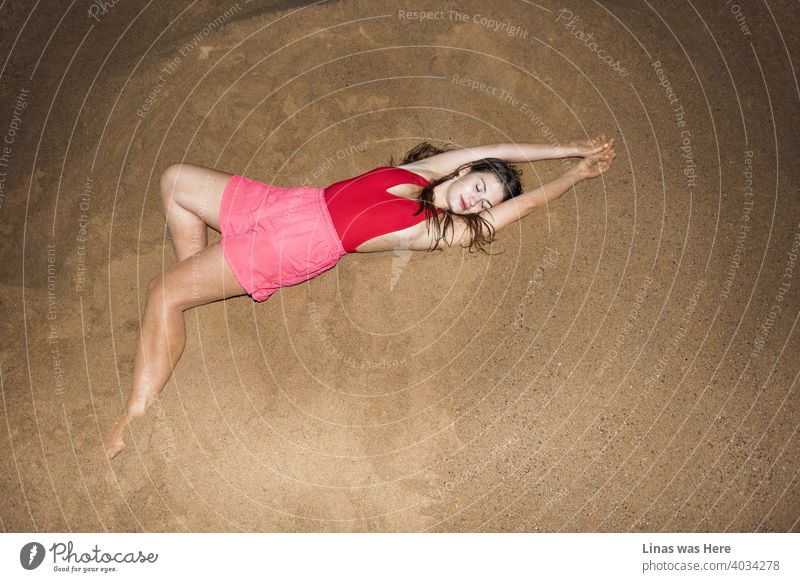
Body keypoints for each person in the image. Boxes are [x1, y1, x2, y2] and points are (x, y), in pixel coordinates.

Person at [105, 136, 617, 459]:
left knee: (162, 297)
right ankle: (193, 276)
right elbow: (501, 150)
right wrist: (570, 148)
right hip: (291, 201)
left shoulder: (436, 229)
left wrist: (574, 176)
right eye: (481, 184)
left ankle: (136, 417)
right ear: (464, 171)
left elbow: (517, 210)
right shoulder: (426, 173)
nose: (478, 199)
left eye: (485, 203)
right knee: (175, 181)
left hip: (299, 244)